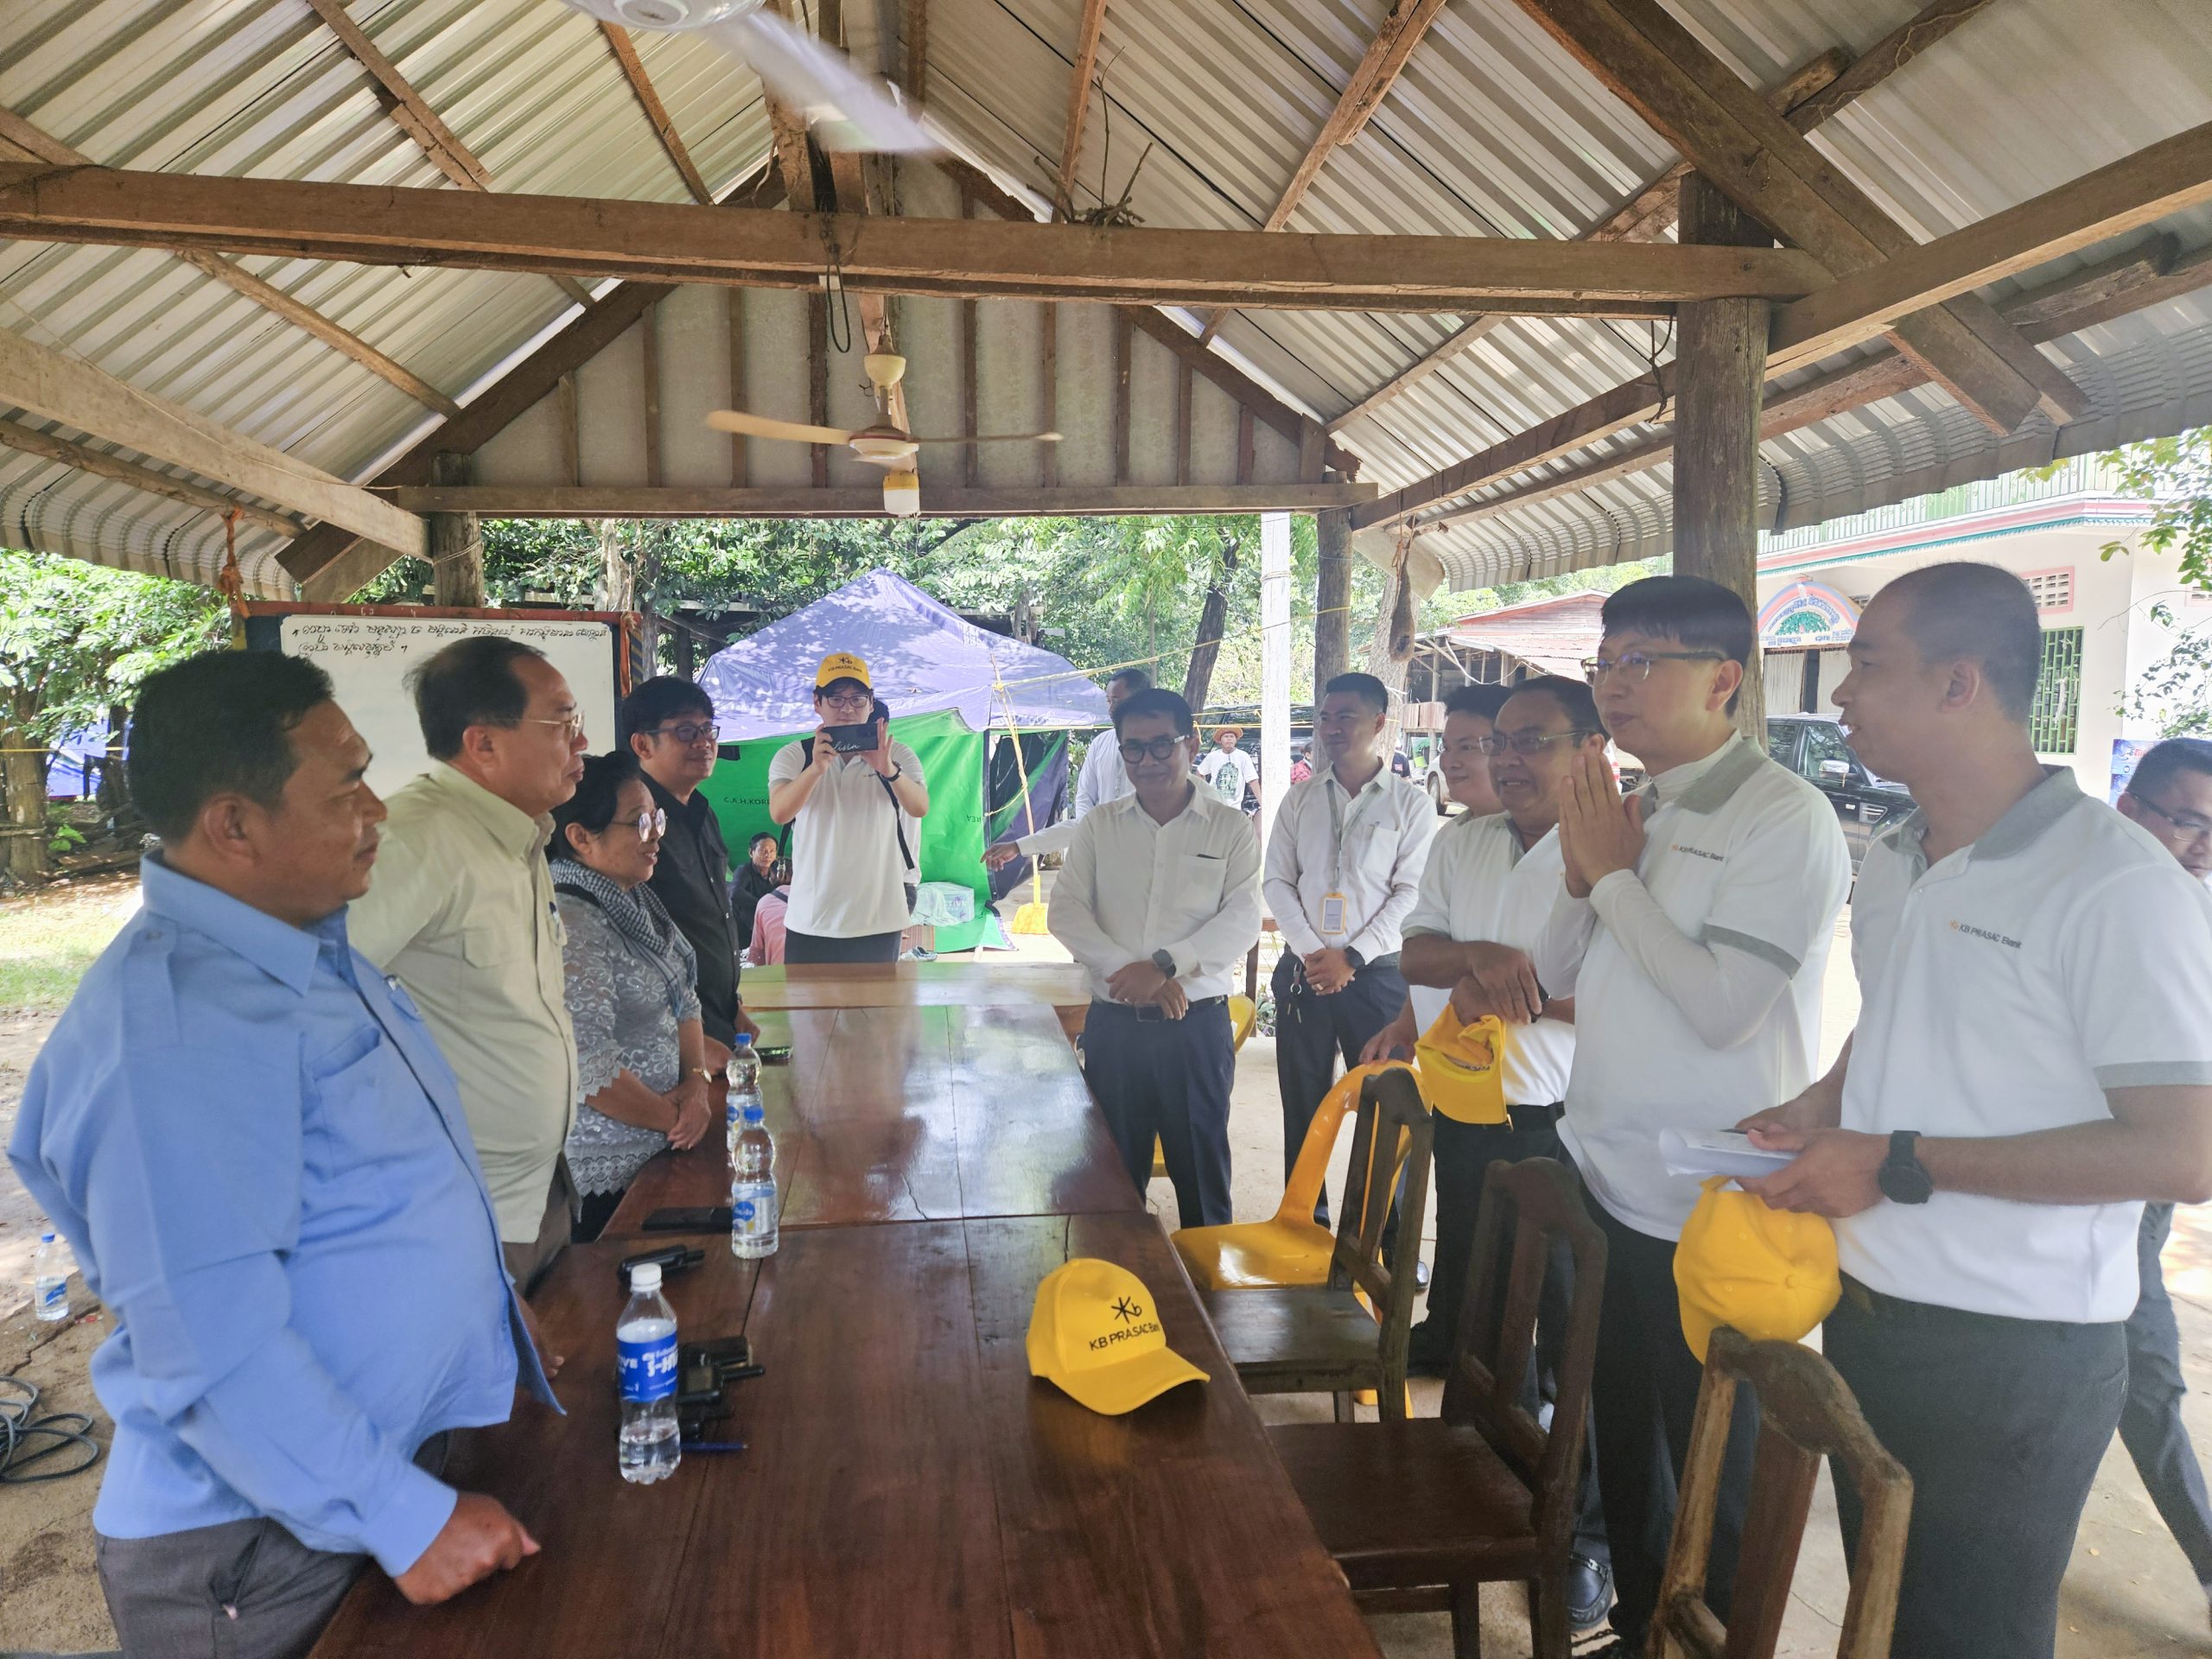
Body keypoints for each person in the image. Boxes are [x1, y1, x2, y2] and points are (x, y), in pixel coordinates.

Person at [9, 651, 552, 1659]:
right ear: (234, 825)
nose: (377, 811)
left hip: (356, 1473)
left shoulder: (304, 948)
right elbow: (208, 1345)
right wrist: (404, 1515)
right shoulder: (169, 1036)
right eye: (347, 786)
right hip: (262, 1543)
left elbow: (368, 1187)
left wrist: (476, 1299)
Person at [1741, 567, 2212, 1659]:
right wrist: (1820, 1105)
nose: (1842, 693)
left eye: (1867, 664)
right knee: (1892, 1620)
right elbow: (1908, 1020)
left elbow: (2183, 1153)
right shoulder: (1907, 853)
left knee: (1965, 1638)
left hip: (2013, 1360)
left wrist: (1896, 1159)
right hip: (1873, 1311)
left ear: (1959, 683)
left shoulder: (2113, 883)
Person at [1531, 575, 1851, 1658]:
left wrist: (1613, 879)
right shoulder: (1632, 806)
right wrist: (1586, 879)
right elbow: (1546, 971)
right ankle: (1638, 1625)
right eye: (1604, 663)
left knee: (1717, 1451)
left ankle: (1725, 1638)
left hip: (1713, 1199)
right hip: (1609, 1173)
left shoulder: (1782, 815)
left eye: (1641, 662)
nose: (1614, 686)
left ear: (1724, 678)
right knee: (1624, 1433)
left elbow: (1723, 1010)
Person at [1362, 677, 1615, 1633]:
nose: (1507, 759)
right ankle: (1462, 1503)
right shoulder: (1461, 841)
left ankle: (1577, 1542)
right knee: (1473, 1315)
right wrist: (1476, 957)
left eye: (1532, 742)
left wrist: (1521, 996)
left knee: (1565, 1335)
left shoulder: (1612, 850)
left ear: (1589, 749)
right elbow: (1413, 954)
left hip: (1561, 1123)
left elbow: (1636, 1000)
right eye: (1497, 743)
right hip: (1469, 1112)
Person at [348, 636, 587, 1295]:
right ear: (483, 744)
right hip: (463, 1210)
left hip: (538, 1189)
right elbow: (308, 993)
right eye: (563, 723)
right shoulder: (420, 838)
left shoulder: (519, 834)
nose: (582, 742)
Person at [1048, 688, 1262, 1226]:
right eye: (1133, 749)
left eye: (1161, 745)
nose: (1147, 761)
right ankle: (1117, 1294)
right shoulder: (1100, 827)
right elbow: (1066, 912)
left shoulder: (1230, 827)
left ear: (1190, 743)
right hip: (1115, 1030)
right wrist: (1129, 971)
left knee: (1202, 1177)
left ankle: (1207, 1298)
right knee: (1114, 1177)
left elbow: (1241, 919)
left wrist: (1164, 966)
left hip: (1195, 1028)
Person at [1263, 671, 1435, 1228]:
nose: (1332, 727)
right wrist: (1317, 953)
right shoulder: (1301, 798)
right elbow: (1277, 883)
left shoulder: (1410, 804)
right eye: (1325, 716)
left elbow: (1411, 893)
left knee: (1388, 1107)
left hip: (1379, 977)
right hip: (1305, 975)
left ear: (1379, 723)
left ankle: (1382, 1234)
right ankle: (1302, 1220)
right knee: (1304, 1101)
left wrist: (1353, 957)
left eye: (1346, 717)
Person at [2112, 737, 2212, 1616]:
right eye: (2188, 820)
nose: (2203, 846)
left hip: (2132, 1193)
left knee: (2143, 1385)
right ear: (2129, 807)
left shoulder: (2191, 922)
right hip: (2030, 1192)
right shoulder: (2090, 902)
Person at [551, 752, 728, 1243]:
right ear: (581, 837)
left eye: (658, 818)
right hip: (611, 1171)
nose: (656, 834)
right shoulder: (573, 922)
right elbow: (588, 1066)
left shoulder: (635, 897)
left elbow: (684, 998)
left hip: (665, 1141)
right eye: (639, 822)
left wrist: (695, 1084)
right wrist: (676, 1117)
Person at [621, 675, 760, 1047]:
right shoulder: (630, 823)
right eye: (684, 731)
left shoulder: (702, 811)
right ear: (642, 744)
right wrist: (685, 1042)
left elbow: (711, 915)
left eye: (707, 729)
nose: (703, 743)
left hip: (716, 1019)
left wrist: (732, 1005)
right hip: (670, 1033)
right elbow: (630, 947)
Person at [766, 651, 930, 963]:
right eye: (836, 699)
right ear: (818, 703)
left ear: (871, 703)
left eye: (857, 699)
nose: (847, 709)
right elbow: (780, 812)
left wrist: (888, 769)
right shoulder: (794, 756)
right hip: (810, 921)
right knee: (807, 1012)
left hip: (879, 920)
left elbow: (920, 807)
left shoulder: (899, 755)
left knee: (875, 1012)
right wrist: (815, 769)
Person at [985, 666, 1151, 869]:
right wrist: (1019, 846)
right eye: (1109, 701)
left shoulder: (1162, 752)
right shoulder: (1100, 744)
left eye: (1117, 701)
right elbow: (1084, 819)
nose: (1111, 709)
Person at [733, 830, 782, 950]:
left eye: (772, 851)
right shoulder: (744, 870)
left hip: (770, 925)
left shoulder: (778, 870)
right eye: (762, 851)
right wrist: (763, 906)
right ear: (751, 852)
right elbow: (735, 893)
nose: (768, 855)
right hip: (745, 930)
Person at [1197, 724, 1258, 812]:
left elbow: (1252, 779)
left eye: (1232, 736)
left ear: (1236, 740)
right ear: (1220, 740)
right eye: (1226, 736)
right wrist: (1204, 793)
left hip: (1235, 809)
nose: (1229, 739)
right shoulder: (1213, 756)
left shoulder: (1243, 756)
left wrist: (1262, 803)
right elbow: (1200, 772)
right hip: (1214, 807)